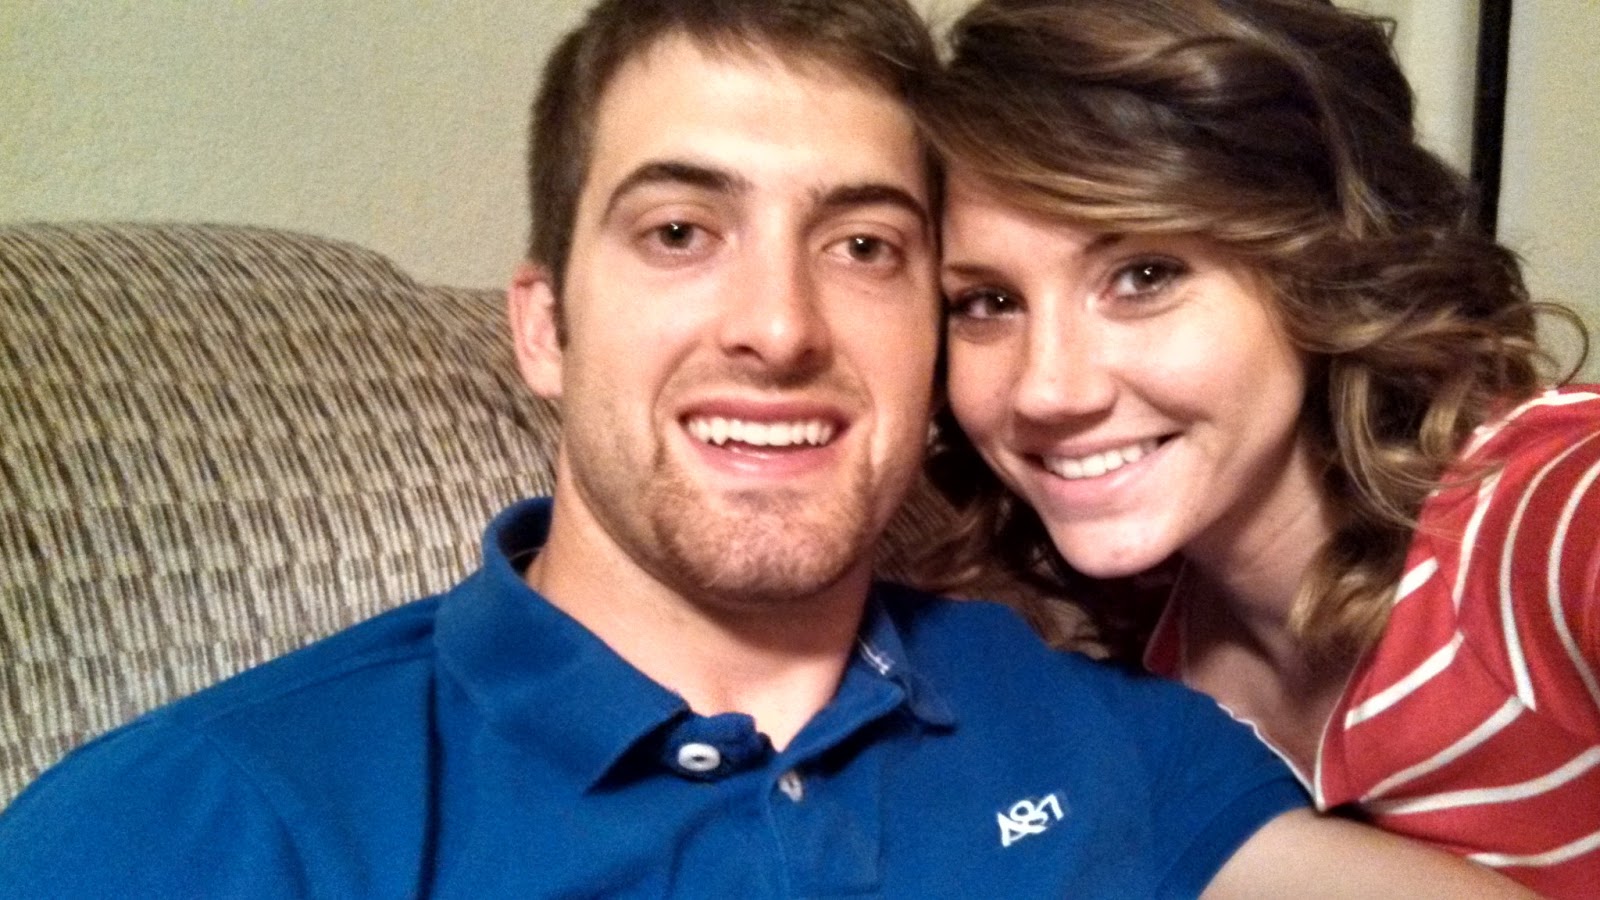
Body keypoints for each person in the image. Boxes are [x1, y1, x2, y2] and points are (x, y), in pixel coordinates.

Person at [0, 1, 1535, 897]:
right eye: (681, 231)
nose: (781, 328)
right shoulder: (211, 818)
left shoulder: (1093, 723)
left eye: (865, 247)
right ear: (543, 327)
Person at [913, 0, 1598, 896]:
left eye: (1145, 275)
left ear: (1317, 268)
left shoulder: (1544, 516)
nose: (1047, 390)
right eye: (988, 302)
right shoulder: (1135, 664)